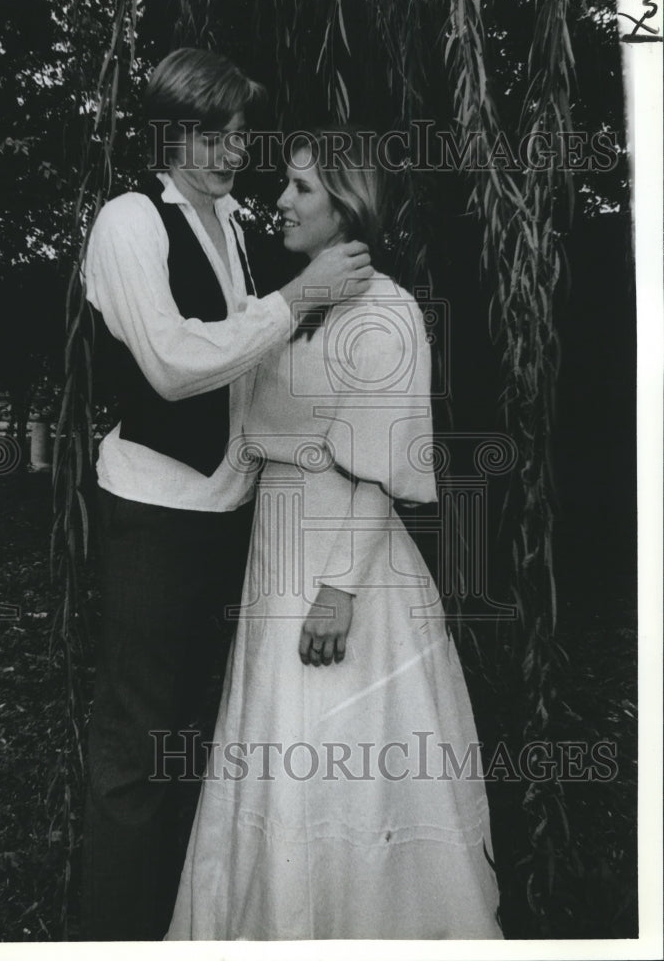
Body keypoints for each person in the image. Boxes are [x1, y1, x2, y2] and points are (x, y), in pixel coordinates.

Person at [166, 127, 504, 940]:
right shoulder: (295, 308)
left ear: (349, 206)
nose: (279, 201)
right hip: (275, 558)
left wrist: (337, 590)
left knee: (337, 759)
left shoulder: (385, 313)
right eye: (285, 186)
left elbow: (380, 464)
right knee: (274, 753)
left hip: (339, 572)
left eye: (301, 189)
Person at [80, 53, 373, 941]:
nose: (229, 152)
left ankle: (190, 924)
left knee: (201, 738)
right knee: (137, 746)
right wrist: (296, 301)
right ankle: (109, 938)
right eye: (211, 134)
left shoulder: (242, 226)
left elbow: (260, 375)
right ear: (167, 129)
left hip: (236, 518)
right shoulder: (130, 222)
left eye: (240, 136)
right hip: (154, 516)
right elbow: (172, 367)